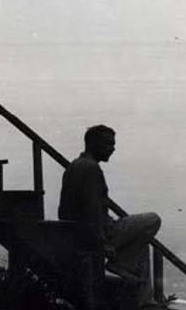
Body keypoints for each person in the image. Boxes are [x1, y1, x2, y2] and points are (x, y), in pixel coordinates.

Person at [58, 125, 162, 309]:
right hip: (98, 234)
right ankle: (121, 265)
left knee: (142, 246)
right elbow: (92, 212)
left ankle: (145, 301)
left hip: (77, 234)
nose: (112, 148)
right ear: (93, 144)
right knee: (153, 219)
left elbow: (65, 210)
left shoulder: (74, 166)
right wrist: (104, 243)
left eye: (113, 144)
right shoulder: (92, 169)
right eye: (108, 144)